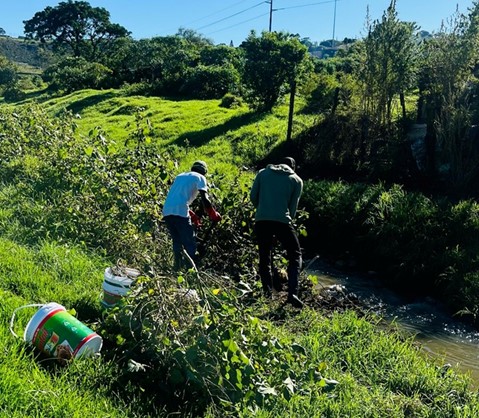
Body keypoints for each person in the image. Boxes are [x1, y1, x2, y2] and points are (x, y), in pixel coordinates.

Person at [250, 157, 304, 308]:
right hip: (282, 222)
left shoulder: (262, 173)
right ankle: (293, 293)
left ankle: (267, 294)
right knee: (295, 255)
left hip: (262, 220)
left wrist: (263, 210)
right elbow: (292, 210)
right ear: (293, 167)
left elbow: (253, 197)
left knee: (264, 255)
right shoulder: (296, 180)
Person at [163, 160, 221, 270]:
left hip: (167, 210)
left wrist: (193, 216)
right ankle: (190, 271)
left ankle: (177, 268)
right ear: (204, 172)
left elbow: (177, 200)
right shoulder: (200, 177)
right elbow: (205, 199)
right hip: (180, 211)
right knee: (189, 243)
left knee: (177, 242)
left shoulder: (180, 176)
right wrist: (213, 214)